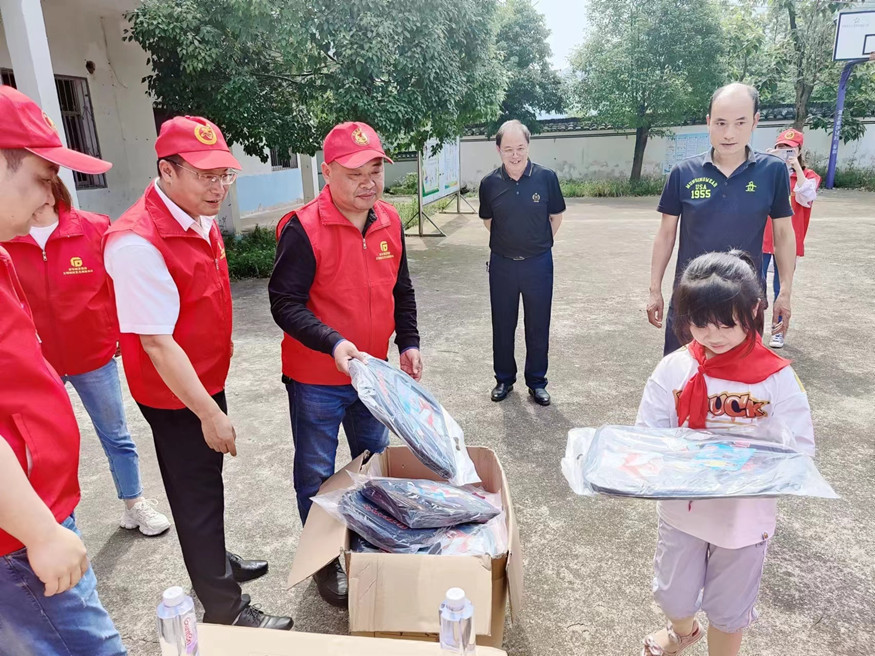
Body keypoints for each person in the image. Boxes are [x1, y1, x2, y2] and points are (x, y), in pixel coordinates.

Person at [103, 116, 292, 630]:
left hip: (205, 376)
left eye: (224, 175)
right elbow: (157, 344)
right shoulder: (137, 242)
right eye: (205, 176)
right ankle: (226, 608)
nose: (218, 187)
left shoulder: (195, 214)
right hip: (175, 393)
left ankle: (213, 562)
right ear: (167, 170)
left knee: (207, 482)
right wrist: (209, 413)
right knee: (195, 494)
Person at [269, 121, 421, 606]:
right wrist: (333, 343)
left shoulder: (389, 221)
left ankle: (366, 544)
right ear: (328, 171)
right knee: (316, 474)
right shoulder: (303, 229)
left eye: (375, 170)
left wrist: (409, 341)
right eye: (355, 173)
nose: (368, 183)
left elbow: (401, 289)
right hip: (317, 378)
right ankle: (322, 560)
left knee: (371, 463)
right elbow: (284, 303)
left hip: (372, 375)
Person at [636, 250, 815, 656]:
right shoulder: (675, 368)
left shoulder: (776, 377)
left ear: (753, 311)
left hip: (743, 517)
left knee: (730, 611)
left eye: (726, 323)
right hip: (682, 509)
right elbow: (647, 435)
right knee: (672, 597)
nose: (712, 335)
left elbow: (800, 449)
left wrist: (751, 465)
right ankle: (682, 632)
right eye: (700, 323)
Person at [0, 85, 127, 655]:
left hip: (33, 515)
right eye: (42, 177)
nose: (51, 196)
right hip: (18, 535)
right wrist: (40, 531)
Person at [2, 176, 171, 536]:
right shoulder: (8, 236)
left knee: (116, 434)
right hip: (38, 363)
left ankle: (134, 504)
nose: (38, 196)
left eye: (43, 184)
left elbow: (116, 287)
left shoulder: (93, 228)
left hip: (92, 355)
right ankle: (52, 521)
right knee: (42, 444)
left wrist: (116, 335)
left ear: (54, 188)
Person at [647, 83, 796, 356]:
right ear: (708, 122)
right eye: (720, 123)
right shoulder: (683, 173)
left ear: (755, 121)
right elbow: (666, 234)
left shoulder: (772, 172)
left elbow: (784, 235)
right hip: (691, 297)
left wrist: (784, 292)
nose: (729, 134)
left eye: (740, 123)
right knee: (682, 372)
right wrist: (654, 289)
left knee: (738, 378)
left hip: (744, 300)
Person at [479, 119, 565, 406]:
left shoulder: (546, 178)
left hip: (538, 264)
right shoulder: (489, 183)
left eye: (520, 148)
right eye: (508, 149)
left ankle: (537, 382)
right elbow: (489, 221)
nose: (515, 155)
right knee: (503, 324)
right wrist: (510, 244)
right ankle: (504, 379)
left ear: (528, 146)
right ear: (498, 150)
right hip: (502, 264)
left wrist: (534, 244)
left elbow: (555, 217)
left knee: (538, 324)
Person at [761, 128, 820, 349]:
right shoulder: (769, 172)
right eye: (781, 148)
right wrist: (765, 162)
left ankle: (778, 331)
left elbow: (807, 196)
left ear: (799, 151)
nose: (785, 152)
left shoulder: (808, 177)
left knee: (782, 287)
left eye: (790, 149)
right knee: (755, 285)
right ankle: (753, 331)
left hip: (788, 242)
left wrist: (796, 167)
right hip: (763, 238)